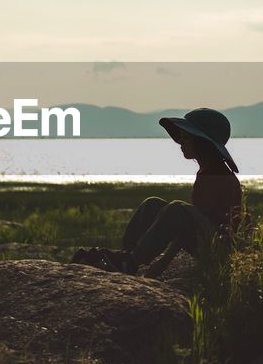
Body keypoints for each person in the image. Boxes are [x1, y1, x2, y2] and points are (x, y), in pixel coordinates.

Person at [76, 108, 243, 276]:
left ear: (202, 143)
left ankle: (132, 261)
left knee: (177, 209)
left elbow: (188, 228)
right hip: (207, 237)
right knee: (152, 204)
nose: (180, 143)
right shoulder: (208, 170)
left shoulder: (216, 174)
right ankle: (127, 256)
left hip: (220, 247)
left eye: (186, 138)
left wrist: (162, 264)